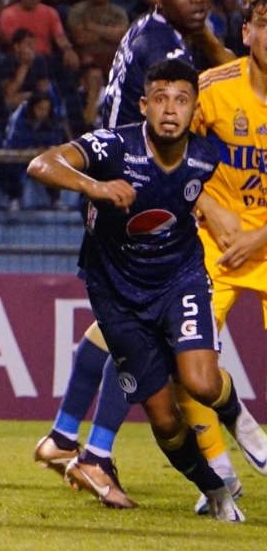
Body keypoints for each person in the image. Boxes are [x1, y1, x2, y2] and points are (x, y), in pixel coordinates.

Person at [34, 0, 236, 505]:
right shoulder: (163, 48)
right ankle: (91, 450)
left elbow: (217, 61)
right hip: (128, 177)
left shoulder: (160, 33)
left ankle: (64, 438)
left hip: (138, 179)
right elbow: (220, 75)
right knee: (135, 329)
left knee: (115, 329)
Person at [27, 58, 267, 522]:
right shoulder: (115, 146)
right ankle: (214, 488)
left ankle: (239, 418)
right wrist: (92, 186)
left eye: (181, 100)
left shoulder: (206, 154)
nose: (170, 109)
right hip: (117, 296)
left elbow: (216, 189)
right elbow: (42, 163)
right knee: (165, 421)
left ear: (194, 107)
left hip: (180, 280)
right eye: (160, 99)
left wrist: (223, 217)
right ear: (143, 105)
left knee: (199, 380)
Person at [180, 0, 267, 512]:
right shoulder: (212, 88)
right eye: (266, 22)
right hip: (214, 244)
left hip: (261, 239)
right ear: (248, 33)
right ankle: (218, 476)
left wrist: (261, 234)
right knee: (190, 356)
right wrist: (207, 208)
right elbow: (169, 149)